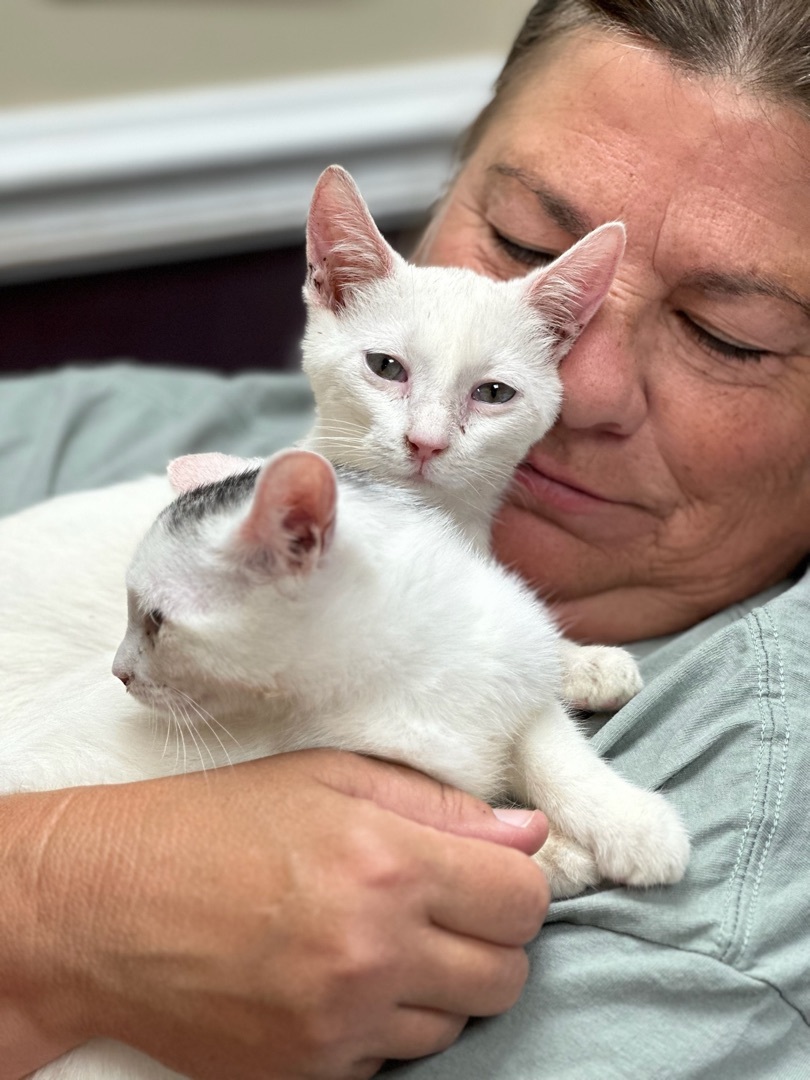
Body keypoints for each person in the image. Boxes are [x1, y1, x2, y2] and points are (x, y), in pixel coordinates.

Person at [1, 0, 809, 1076]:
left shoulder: (744, 860)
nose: (580, 385)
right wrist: (41, 900)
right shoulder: (149, 442)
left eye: (728, 336)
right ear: (439, 203)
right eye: (522, 243)